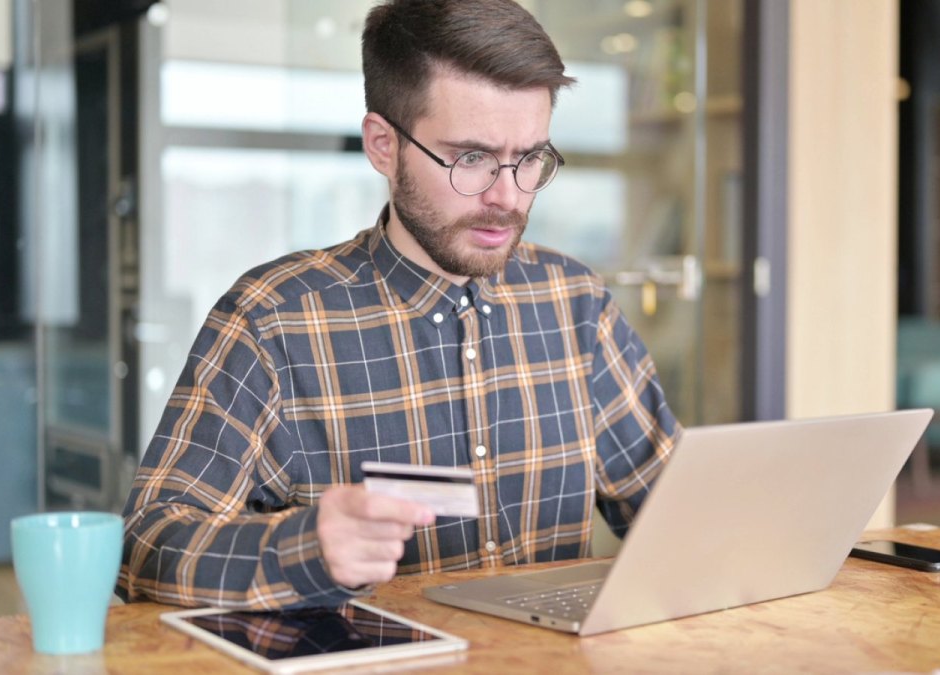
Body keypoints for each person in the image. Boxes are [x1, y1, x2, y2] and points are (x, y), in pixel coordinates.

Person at [116, 0, 681, 610]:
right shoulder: (273, 320)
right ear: (383, 146)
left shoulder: (576, 305)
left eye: (530, 159)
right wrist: (303, 548)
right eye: (471, 158)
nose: (507, 196)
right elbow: (145, 546)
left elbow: (676, 513)